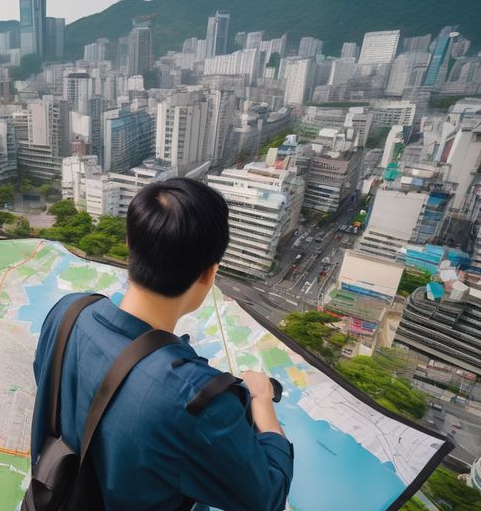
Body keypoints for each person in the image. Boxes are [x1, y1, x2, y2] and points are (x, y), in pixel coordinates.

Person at [30, 177, 293, 510]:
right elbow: (267, 497)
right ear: (209, 274)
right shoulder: (197, 400)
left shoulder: (68, 313)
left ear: (129, 243)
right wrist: (262, 401)